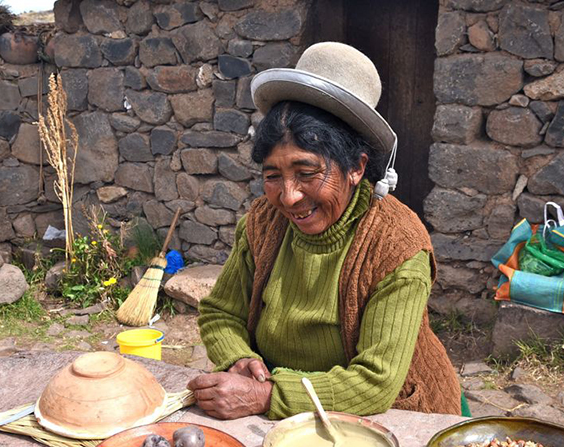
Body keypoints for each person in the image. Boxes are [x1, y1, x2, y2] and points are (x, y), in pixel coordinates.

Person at [187, 42, 462, 420]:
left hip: (390, 417)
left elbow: (375, 383)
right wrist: (238, 358)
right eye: (272, 176)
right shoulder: (263, 221)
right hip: (282, 410)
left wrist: (266, 396)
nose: (289, 197)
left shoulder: (397, 245)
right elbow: (221, 313)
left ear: (356, 167)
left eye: (307, 173)